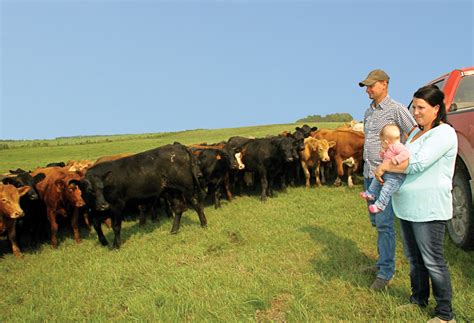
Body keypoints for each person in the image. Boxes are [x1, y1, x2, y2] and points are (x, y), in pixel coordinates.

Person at [374, 84, 457, 323]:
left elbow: (418, 163)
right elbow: (401, 156)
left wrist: (385, 166)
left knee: (433, 260)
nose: (416, 111)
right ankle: (418, 299)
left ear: (436, 109)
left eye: (421, 107)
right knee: (414, 259)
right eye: (414, 106)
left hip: (428, 208)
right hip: (407, 207)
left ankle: (444, 314)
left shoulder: (444, 133)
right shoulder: (414, 133)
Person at [358, 69, 417, 290]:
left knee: (384, 224)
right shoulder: (369, 111)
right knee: (376, 222)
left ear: (384, 84)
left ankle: (385, 272)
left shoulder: (397, 109)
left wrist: (396, 163)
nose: (368, 90)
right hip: (369, 174)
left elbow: (414, 134)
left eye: (372, 85)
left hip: (386, 175)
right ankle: (382, 261)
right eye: (366, 86)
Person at [360, 124, 410, 214]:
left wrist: (397, 159)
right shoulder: (390, 147)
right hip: (387, 172)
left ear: (386, 142)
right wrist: (383, 153)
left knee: (386, 189)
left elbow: (406, 154)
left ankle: (380, 205)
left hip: (396, 176)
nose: (381, 144)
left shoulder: (398, 146)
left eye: (381, 142)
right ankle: (370, 193)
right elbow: (386, 158)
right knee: (376, 179)